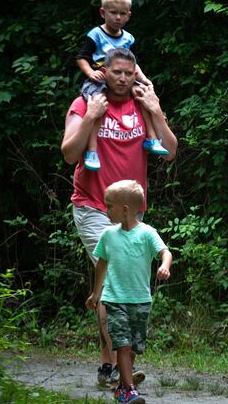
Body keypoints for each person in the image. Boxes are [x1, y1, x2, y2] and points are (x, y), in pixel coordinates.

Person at [61, 47, 177, 385]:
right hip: (93, 204)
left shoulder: (143, 102)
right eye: (117, 72)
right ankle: (112, 367)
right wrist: (91, 117)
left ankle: (111, 365)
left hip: (131, 210)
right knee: (113, 278)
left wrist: (156, 110)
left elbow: (170, 153)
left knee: (120, 281)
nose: (124, 79)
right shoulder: (85, 103)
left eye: (129, 72)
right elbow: (69, 154)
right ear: (104, 72)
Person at [86, 180, 172, 404]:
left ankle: (122, 386)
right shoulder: (108, 235)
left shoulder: (147, 233)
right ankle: (129, 390)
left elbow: (165, 252)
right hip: (114, 299)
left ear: (124, 209)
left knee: (133, 347)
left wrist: (164, 265)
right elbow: (101, 266)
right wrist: (96, 294)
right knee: (122, 344)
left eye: (109, 206)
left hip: (141, 300)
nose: (105, 211)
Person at [76, 0, 168, 171]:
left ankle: (151, 138)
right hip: (99, 78)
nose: (118, 17)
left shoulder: (128, 38)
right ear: (103, 13)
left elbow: (132, 64)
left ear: (128, 15)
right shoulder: (96, 34)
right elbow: (82, 57)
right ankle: (92, 150)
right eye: (113, 13)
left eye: (122, 13)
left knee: (143, 95)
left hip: (124, 77)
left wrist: (143, 79)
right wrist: (90, 73)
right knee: (97, 107)